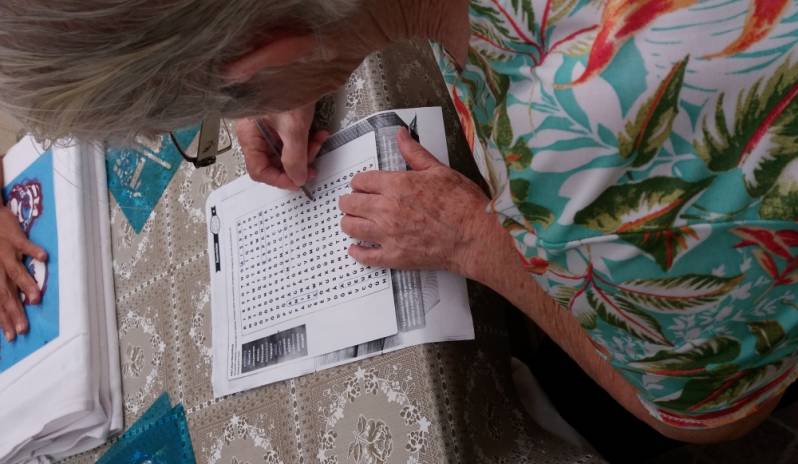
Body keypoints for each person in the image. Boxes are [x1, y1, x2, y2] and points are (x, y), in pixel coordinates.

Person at [0, 0, 796, 445]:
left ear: (256, 55)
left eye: (206, 116)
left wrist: (475, 240)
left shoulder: (583, 141)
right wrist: (311, 47)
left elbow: (704, 413)